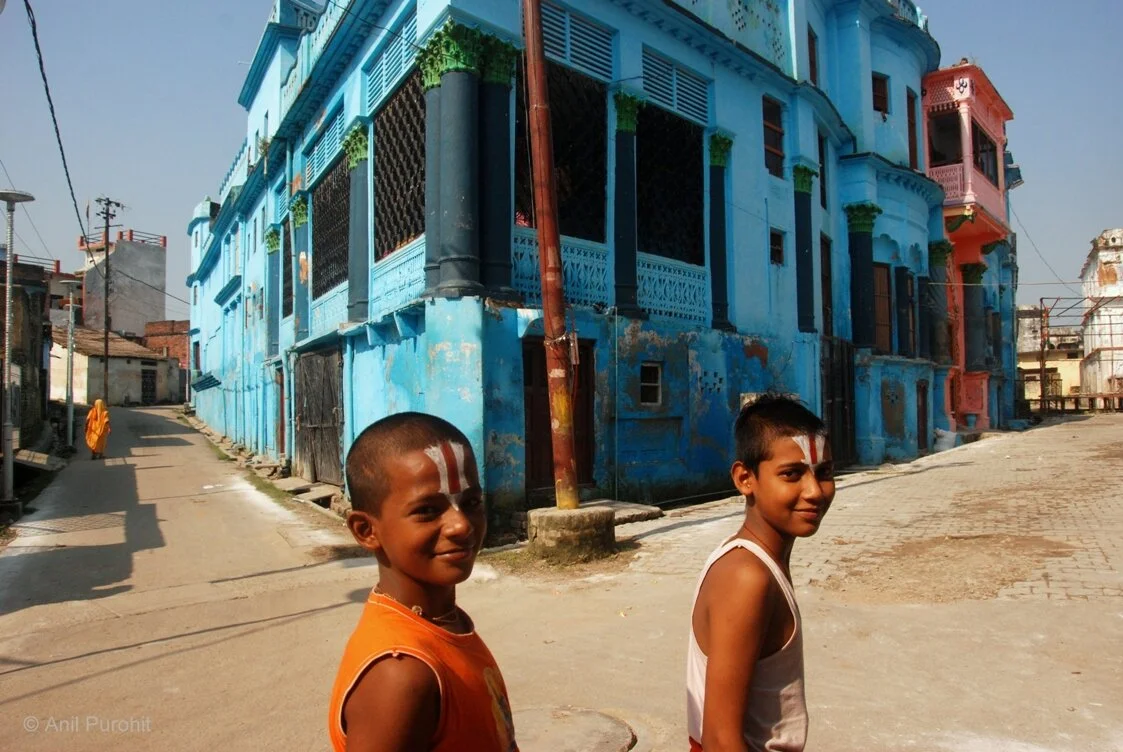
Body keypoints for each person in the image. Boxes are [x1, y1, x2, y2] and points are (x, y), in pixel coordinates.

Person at [328, 412, 517, 752]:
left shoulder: (443, 620)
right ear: (366, 530)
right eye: (428, 510)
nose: (461, 526)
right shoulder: (401, 675)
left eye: (471, 503)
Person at [686, 394, 837, 752]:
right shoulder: (746, 577)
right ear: (745, 479)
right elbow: (721, 740)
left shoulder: (760, 563)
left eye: (825, 473)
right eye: (791, 474)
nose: (814, 491)